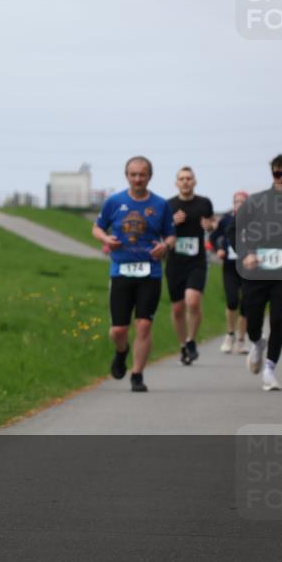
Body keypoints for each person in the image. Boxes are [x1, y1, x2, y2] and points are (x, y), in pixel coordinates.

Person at [92, 156, 176, 392]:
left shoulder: (160, 205)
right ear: (127, 176)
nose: (138, 179)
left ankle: (137, 375)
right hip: (121, 271)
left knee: (143, 326)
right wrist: (105, 238)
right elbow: (97, 227)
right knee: (118, 330)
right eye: (133, 174)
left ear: (150, 176)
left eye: (142, 174)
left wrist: (165, 247)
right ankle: (121, 352)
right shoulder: (114, 202)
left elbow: (171, 234)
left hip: (150, 273)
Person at [236, 153, 282, 391]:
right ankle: (257, 342)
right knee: (253, 319)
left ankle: (270, 370)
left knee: (277, 319)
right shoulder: (255, 202)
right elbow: (233, 231)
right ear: (272, 173)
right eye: (278, 173)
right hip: (256, 272)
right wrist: (246, 254)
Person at [166, 167, 215, 365]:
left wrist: (209, 226)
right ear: (176, 183)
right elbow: (160, 230)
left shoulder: (204, 203)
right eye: (181, 179)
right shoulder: (168, 205)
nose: (185, 182)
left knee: (193, 301)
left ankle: (192, 340)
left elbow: (212, 223)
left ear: (194, 181)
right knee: (178, 309)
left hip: (197, 261)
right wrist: (172, 222)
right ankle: (183, 345)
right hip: (175, 262)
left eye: (189, 178)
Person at [210, 191, 250, 354]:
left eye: (242, 201)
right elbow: (214, 237)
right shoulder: (226, 220)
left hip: (249, 268)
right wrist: (219, 249)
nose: (239, 204)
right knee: (232, 301)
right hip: (230, 266)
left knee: (246, 305)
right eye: (236, 201)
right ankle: (230, 334)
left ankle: (241, 340)